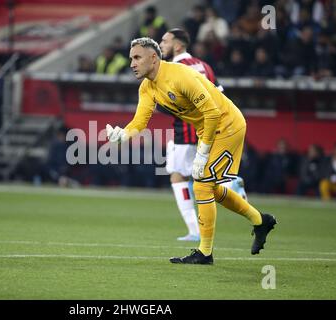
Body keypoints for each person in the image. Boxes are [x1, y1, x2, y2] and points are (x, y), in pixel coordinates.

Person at [106, 37, 277, 265]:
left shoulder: (180, 76)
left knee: (202, 184)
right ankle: (260, 220)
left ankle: (205, 253)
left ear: (153, 57)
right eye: (131, 59)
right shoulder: (147, 87)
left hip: (227, 126)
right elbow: (140, 121)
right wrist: (123, 135)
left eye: (137, 57)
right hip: (208, 130)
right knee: (209, 188)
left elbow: (213, 113)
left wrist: (203, 153)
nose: (132, 64)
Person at [159, 28, 226, 242]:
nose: (161, 44)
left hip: (186, 131)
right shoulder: (204, 65)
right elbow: (220, 95)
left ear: (178, 45)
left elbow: (172, 102)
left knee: (178, 175)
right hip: (211, 130)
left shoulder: (174, 69)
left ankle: (194, 230)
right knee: (206, 177)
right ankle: (237, 189)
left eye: (165, 41)